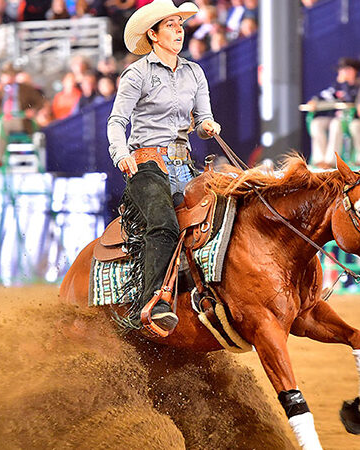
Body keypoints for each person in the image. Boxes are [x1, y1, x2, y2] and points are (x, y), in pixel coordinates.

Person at [107, 0, 220, 335]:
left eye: (180, 24)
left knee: (219, 218)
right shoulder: (137, 73)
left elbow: (202, 119)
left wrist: (208, 126)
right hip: (146, 164)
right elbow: (117, 122)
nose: (178, 30)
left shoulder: (194, 72)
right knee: (164, 225)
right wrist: (121, 153)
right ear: (153, 35)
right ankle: (152, 304)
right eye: (170, 25)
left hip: (185, 164)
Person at [0, 62, 43, 166]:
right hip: (1, 119)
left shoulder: (25, 89)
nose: (9, 77)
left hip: (20, 120)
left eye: (11, 75)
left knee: (0, 125)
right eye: (6, 75)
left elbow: (40, 102)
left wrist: (32, 111)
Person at [307, 57, 360, 169]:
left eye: (345, 70)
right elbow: (325, 95)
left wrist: (345, 84)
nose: (342, 73)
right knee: (316, 123)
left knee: (336, 125)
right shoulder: (337, 85)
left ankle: (330, 161)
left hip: (350, 118)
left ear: (353, 71)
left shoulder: (359, 85)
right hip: (334, 116)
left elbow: (351, 99)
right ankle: (319, 160)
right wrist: (314, 101)